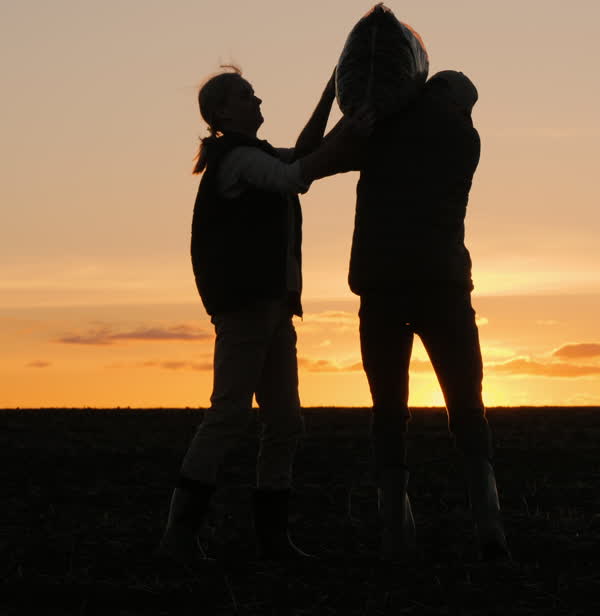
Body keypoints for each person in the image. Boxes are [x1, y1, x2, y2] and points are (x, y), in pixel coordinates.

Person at [157, 65, 369, 562]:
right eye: (247, 95)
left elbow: (305, 156)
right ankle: (178, 538)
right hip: (248, 310)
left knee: (285, 422)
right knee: (229, 416)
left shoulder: (249, 156)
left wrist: (331, 100)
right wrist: (348, 132)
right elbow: (298, 174)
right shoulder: (239, 161)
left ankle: (270, 540)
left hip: (273, 309)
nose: (257, 101)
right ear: (224, 112)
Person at [347, 67, 508, 560]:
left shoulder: (383, 125)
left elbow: (322, 158)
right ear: (459, 105)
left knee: (388, 408)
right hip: (444, 285)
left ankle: (396, 527)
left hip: (381, 286)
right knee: (466, 405)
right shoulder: (465, 137)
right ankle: (489, 526)